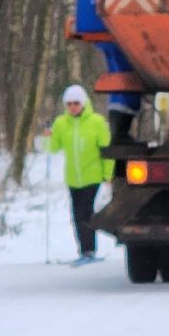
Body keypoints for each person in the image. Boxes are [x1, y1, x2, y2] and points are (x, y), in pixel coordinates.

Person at [42, 85, 113, 266]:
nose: (73, 107)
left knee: (85, 212)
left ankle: (89, 250)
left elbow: (107, 150)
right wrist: (48, 136)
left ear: (84, 103)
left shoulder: (96, 122)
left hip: (92, 175)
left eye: (76, 103)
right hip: (73, 178)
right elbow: (53, 148)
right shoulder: (61, 123)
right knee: (76, 214)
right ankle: (84, 250)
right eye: (69, 104)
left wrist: (108, 174)